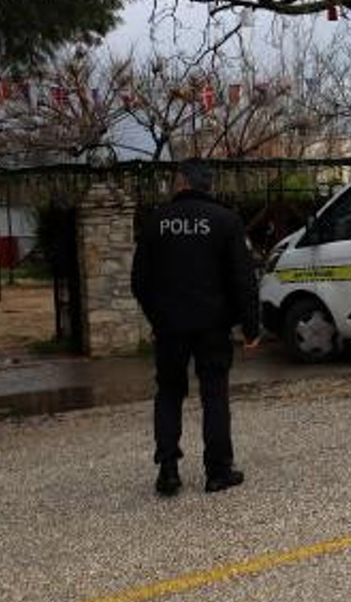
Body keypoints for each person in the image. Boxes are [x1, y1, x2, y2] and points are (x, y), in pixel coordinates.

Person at [132, 158, 260, 496]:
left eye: (175, 179)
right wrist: (250, 326)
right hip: (213, 325)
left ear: (182, 182)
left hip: (169, 327)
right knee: (215, 395)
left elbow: (139, 281)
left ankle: (168, 470)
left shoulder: (156, 221)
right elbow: (243, 279)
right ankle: (218, 471)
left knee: (169, 393)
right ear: (208, 185)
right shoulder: (226, 221)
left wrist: (157, 318)